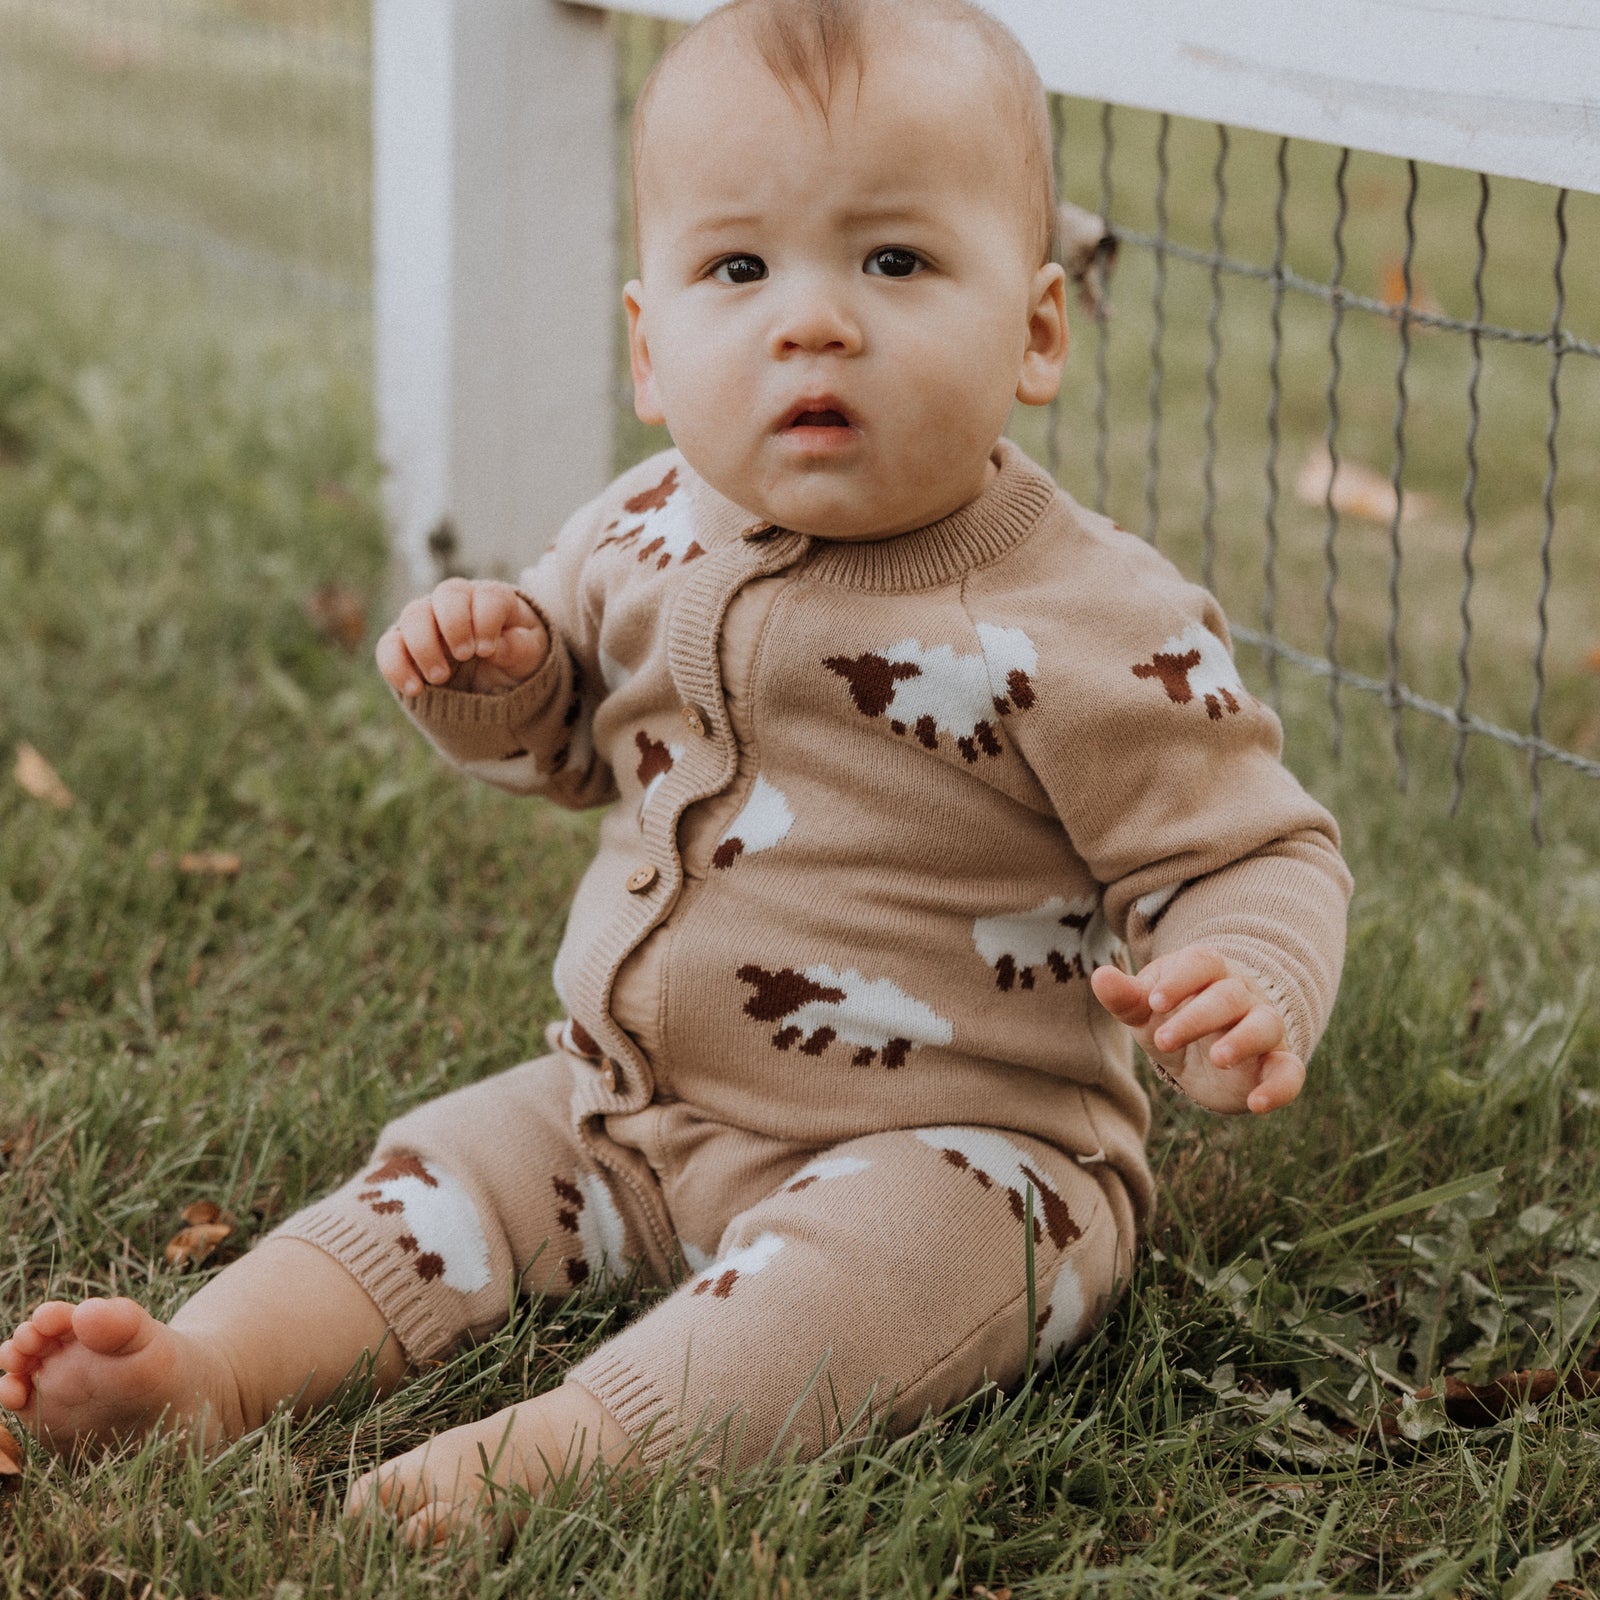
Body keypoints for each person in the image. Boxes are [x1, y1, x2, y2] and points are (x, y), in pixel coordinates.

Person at [0, 0, 1350, 1549]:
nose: (813, 322)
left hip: (959, 1153)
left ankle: (580, 1446)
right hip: (628, 1111)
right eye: (740, 270)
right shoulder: (640, 527)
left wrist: (1245, 973)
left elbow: (1255, 852)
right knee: (451, 1168)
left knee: (886, 1274)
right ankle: (215, 1368)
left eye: (894, 260)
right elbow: (569, 742)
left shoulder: (1093, 618)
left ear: (1038, 330)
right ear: (650, 348)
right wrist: (504, 681)